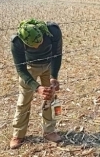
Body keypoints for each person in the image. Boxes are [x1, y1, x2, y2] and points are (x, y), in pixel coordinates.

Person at [9, 18, 63, 149]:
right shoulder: (17, 42)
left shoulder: (53, 31)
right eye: (34, 45)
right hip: (29, 68)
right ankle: (18, 134)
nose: (38, 46)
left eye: (40, 43)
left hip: (48, 64)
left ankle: (49, 130)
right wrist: (37, 87)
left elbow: (57, 54)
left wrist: (53, 77)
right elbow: (21, 70)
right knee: (23, 101)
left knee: (51, 98)